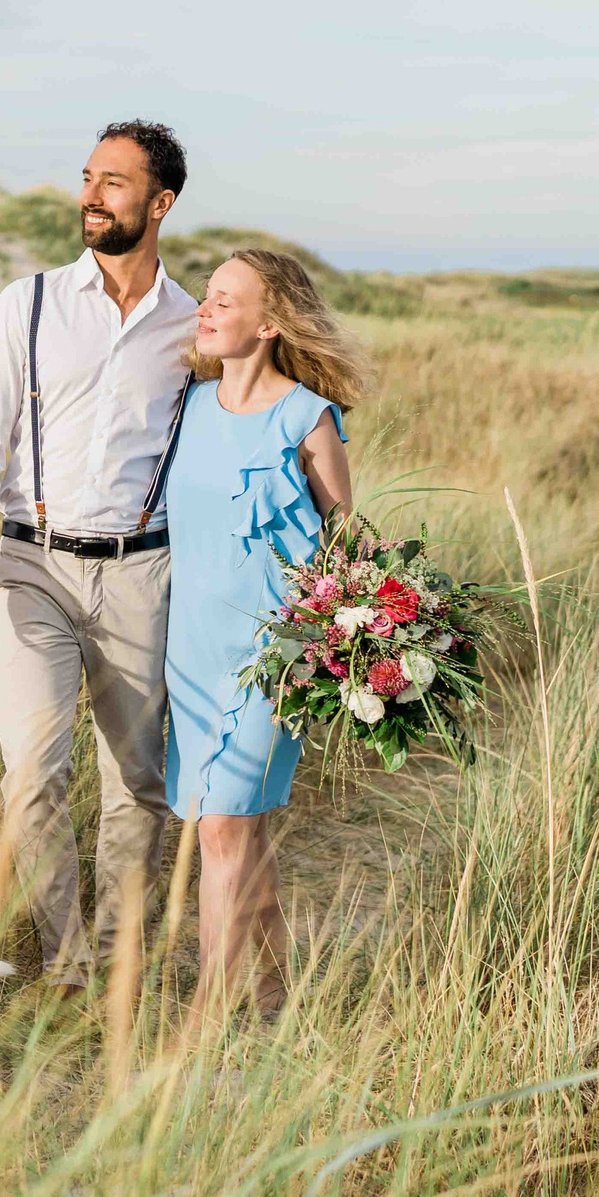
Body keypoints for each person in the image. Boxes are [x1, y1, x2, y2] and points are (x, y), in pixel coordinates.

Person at [0, 120, 198, 994]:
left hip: (141, 572)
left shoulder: (194, 326)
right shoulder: (30, 301)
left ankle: (120, 948)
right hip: (30, 565)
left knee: (137, 779)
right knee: (32, 770)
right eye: (89, 177)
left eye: (115, 182)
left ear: (159, 203)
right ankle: (70, 957)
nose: (91, 194)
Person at [162, 248, 368, 1011]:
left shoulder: (305, 416)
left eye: (224, 299)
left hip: (275, 656)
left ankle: (210, 1018)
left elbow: (348, 536)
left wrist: (389, 627)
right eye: (206, 297)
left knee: (221, 829)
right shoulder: (187, 406)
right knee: (236, 832)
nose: (205, 310)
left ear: (271, 322)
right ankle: (279, 988)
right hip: (190, 654)